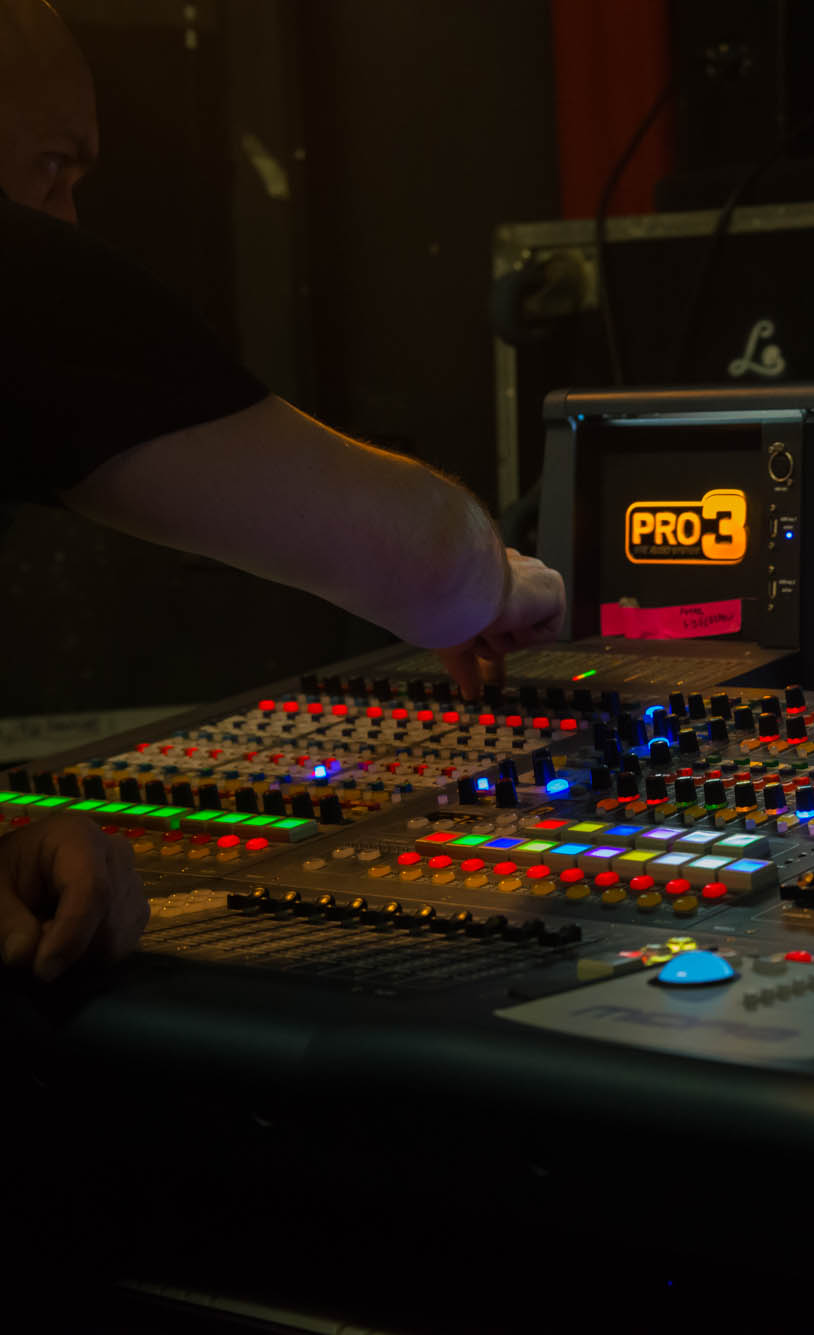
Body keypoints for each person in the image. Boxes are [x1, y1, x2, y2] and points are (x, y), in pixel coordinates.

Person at [0, 0, 567, 981]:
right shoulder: (24, 275)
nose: (67, 221)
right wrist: (502, 583)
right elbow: (424, 560)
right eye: (55, 165)